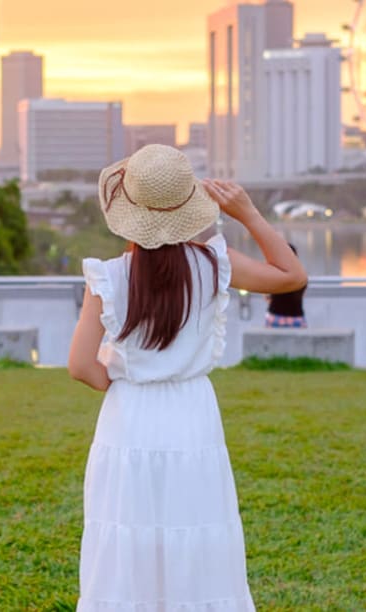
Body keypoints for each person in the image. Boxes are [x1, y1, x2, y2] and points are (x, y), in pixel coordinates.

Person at [67, 144, 307, 611]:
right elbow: (291, 275)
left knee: (126, 528)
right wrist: (249, 214)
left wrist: (119, 382)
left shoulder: (109, 277)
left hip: (129, 415)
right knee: (196, 523)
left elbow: (80, 365)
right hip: (191, 412)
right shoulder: (215, 264)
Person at [265, 244, 307, 328]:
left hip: (275, 317)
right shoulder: (301, 276)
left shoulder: (274, 274)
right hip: (296, 318)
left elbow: (267, 296)